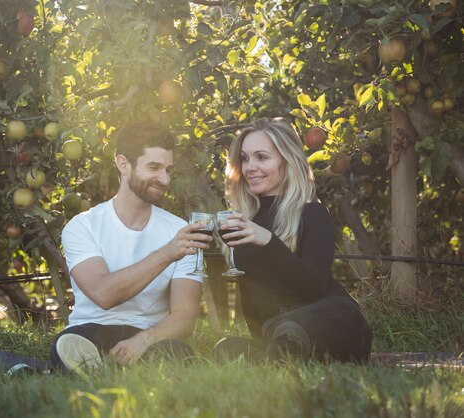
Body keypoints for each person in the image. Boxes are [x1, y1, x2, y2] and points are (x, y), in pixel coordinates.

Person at [50, 121, 211, 373]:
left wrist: (144, 340)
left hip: (150, 334)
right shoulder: (82, 226)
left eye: (168, 170)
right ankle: (97, 368)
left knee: (179, 353)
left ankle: (110, 369)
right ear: (123, 164)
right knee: (68, 346)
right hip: (91, 330)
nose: (165, 179)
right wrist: (168, 253)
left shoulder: (179, 231)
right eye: (154, 168)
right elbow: (104, 294)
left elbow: (185, 316)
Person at [212, 117, 372, 363]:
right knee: (225, 348)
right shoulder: (244, 223)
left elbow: (314, 288)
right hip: (275, 330)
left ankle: (287, 347)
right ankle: (281, 354)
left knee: (298, 325)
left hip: (330, 320)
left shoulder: (312, 214)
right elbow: (252, 300)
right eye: (245, 158)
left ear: (287, 161)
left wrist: (269, 241)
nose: (249, 167)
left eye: (261, 157)